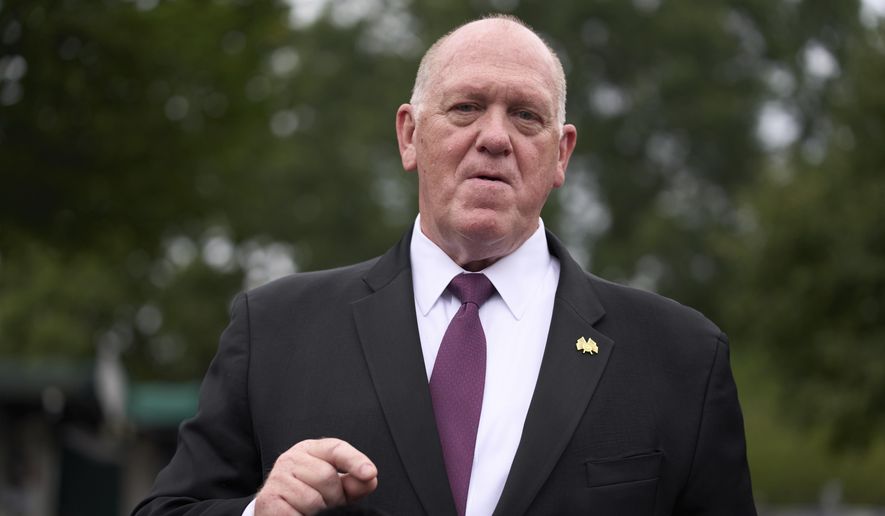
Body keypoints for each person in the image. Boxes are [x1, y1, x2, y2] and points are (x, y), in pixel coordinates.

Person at [133, 14, 756, 516]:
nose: (495, 137)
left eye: (526, 115)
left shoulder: (681, 358)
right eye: (466, 107)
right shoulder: (274, 331)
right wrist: (258, 512)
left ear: (561, 154)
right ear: (410, 135)